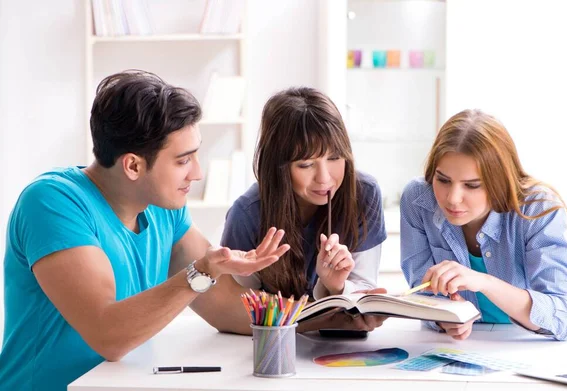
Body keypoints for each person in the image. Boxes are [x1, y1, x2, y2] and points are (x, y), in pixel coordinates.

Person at [0, 70, 289, 391]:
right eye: (183, 161)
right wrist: (201, 272)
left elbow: (222, 307)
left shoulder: (164, 209)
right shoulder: (51, 203)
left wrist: (320, 319)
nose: (197, 172)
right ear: (133, 166)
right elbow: (108, 337)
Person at [195, 87, 388, 335]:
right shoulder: (247, 214)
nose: (325, 177)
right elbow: (243, 307)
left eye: (335, 158)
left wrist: (335, 286)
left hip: (342, 347)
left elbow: (363, 294)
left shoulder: (363, 194)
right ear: (278, 166)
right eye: (306, 164)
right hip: (270, 347)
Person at [400, 109, 567, 341]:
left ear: (499, 181)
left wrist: (484, 283)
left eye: (472, 185)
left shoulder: (537, 208)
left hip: (537, 345)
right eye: (443, 180)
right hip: (464, 347)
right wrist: (443, 317)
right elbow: (422, 289)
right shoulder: (418, 200)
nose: (452, 198)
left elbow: (566, 315)